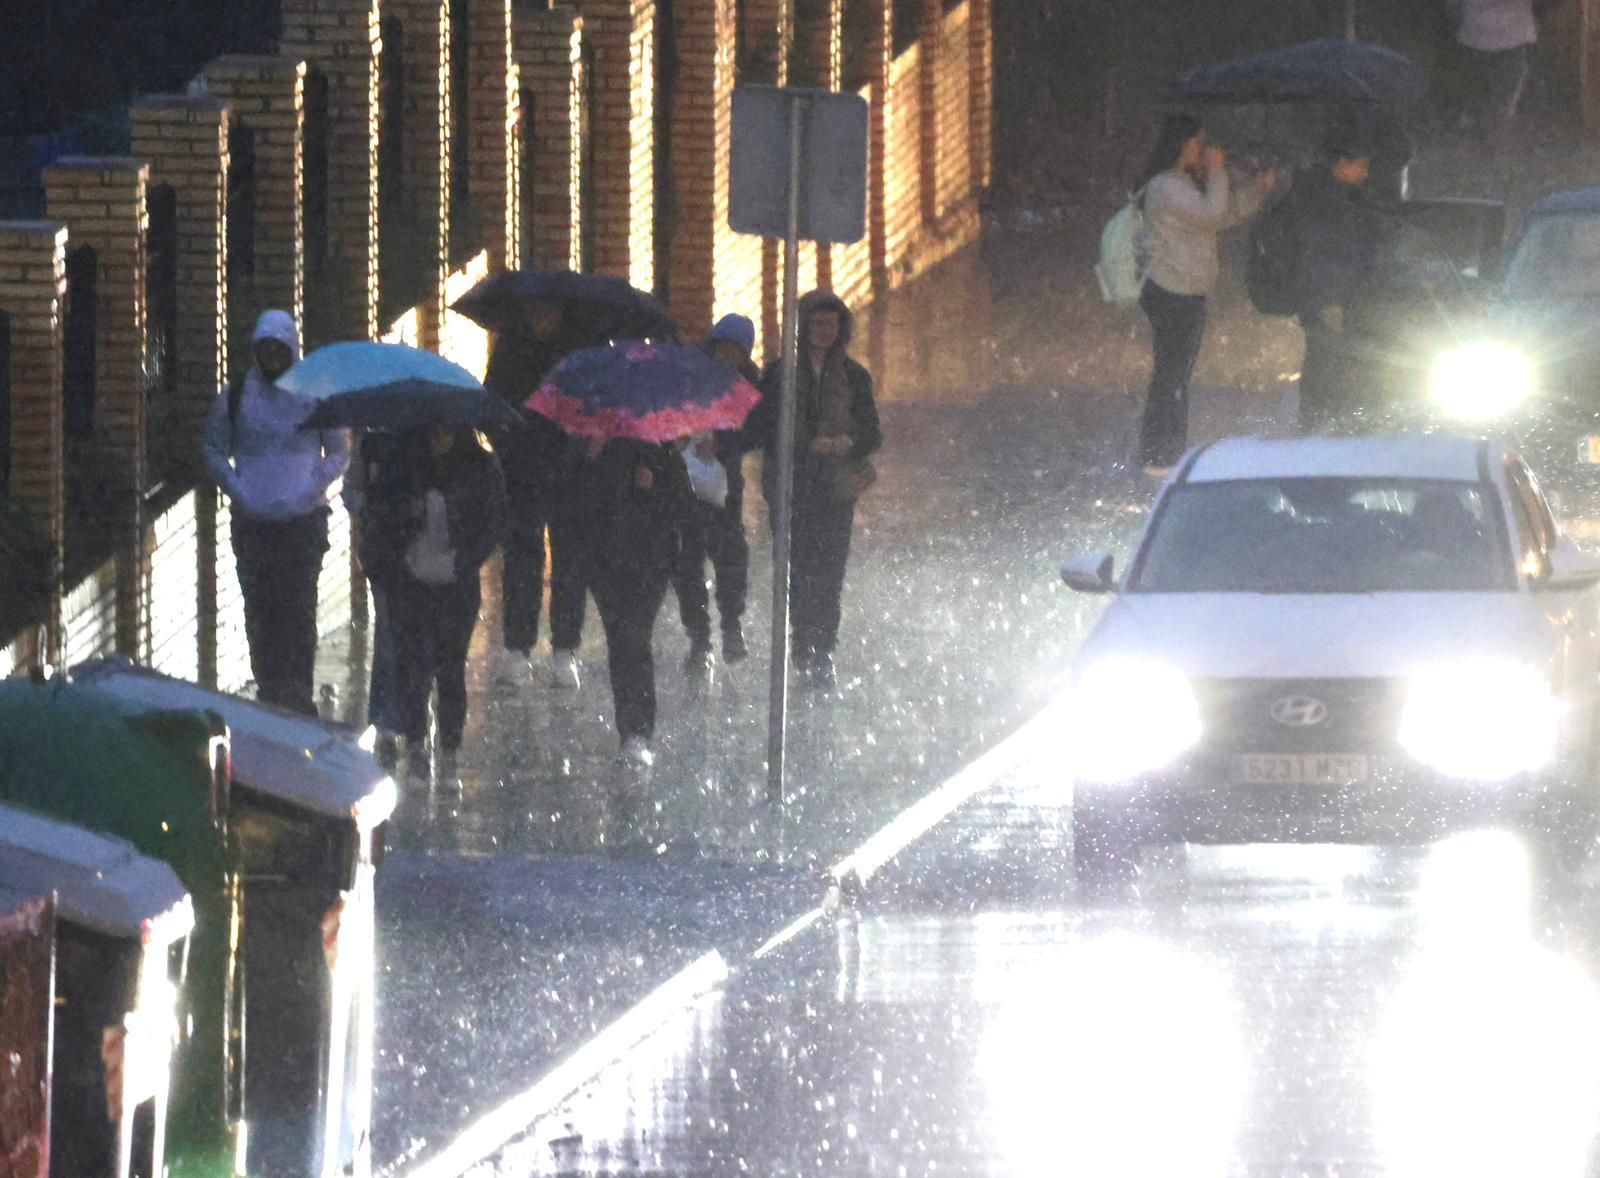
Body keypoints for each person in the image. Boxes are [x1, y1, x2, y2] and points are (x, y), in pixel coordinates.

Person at [202, 309, 349, 715]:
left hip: (303, 523)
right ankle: (269, 690)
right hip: (253, 524)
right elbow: (213, 449)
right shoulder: (235, 398)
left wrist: (309, 489)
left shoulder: (315, 396)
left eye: (278, 350)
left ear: (291, 350)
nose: (271, 357)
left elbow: (339, 452)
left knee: (299, 607)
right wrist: (238, 489)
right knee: (260, 608)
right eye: (264, 349)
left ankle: (297, 692)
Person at [745, 291, 882, 690]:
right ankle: (801, 642)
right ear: (804, 328)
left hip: (836, 489)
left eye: (831, 324)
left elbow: (872, 432)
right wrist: (804, 445)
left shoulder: (854, 376)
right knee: (796, 569)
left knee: (830, 572)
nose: (824, 331)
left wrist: (846, 444)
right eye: (817, 323)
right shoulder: (781, 374)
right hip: (792, 487)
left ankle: (824, 649)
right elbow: (765, 428)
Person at [359, 426, 506, 783]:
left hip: (457, 584)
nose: (441, 436)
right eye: (435, 428)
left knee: (450, 667)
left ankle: (450, 748)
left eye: (448, 428)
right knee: (414, 664)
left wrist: (462, 561)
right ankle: (417, 741)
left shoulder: (481, 469)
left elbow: (491, 523)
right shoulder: (404, 468)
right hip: (411, 583)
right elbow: (381, 515)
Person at [1134, 114, 1275, 473]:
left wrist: (1256, 190)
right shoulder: (1166, 186)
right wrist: (1218, 171)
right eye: (1198, 142)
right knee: (1171, 375)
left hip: (1188, 290)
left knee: (1176, 374)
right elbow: (1210, 214)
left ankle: (1164, 450)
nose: (1204, 149)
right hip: (1171, 290)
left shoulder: (1183, 183)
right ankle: (1160, 454)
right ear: (1181, 144)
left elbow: (1221, 215)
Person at [484, 298, 589, 690]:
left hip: (572, 468)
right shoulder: (512, 347)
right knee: (523, 558)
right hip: (523, 469)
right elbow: (492, 398)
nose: (542, 316)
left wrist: (586, 442)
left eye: (548, 310)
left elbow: (598, 402)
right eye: (535, 311)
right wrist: (507, 442)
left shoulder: (580, 349)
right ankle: (518, 650)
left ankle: (565, 649)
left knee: (570, 559)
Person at [577, 436, 695, 767]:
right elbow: (577, 503)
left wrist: (650, 490)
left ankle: (638, 730)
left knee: (636, 638)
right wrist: (590, 461)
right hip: (607, 564)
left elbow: (682, 508)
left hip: (649, 564)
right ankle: (629, 728)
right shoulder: (595, 447)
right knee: (621, 643)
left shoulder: (663, 453)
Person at [670, 313, 759, 675]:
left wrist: (722, 444)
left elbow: (757, 428)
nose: (728, 357)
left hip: (724, 486)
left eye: (735, 352)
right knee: (687, 563)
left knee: (731, 558)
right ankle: (699, 638)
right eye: (723, 349)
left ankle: (731, 626)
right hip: (685, 484)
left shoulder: (750, 382)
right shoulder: (689, 374)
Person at [1289, 116, 1386, 433]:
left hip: (1326, 296)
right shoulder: (1328, 201)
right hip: (1329, 297)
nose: (1365, 173)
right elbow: (1329, 254)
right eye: (1360, 165)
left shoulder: (1326, 193)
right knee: (1327, 366)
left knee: (1324, 363)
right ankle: (1320, 430)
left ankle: (1317, 428)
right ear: (1342, 163)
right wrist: (1333, 300)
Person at [1451, 0, 1537, 141]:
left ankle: (1487, 131)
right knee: (1501, 100)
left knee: (1485, 98)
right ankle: (1496, 131)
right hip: (1509, 35)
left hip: (1478, 34)